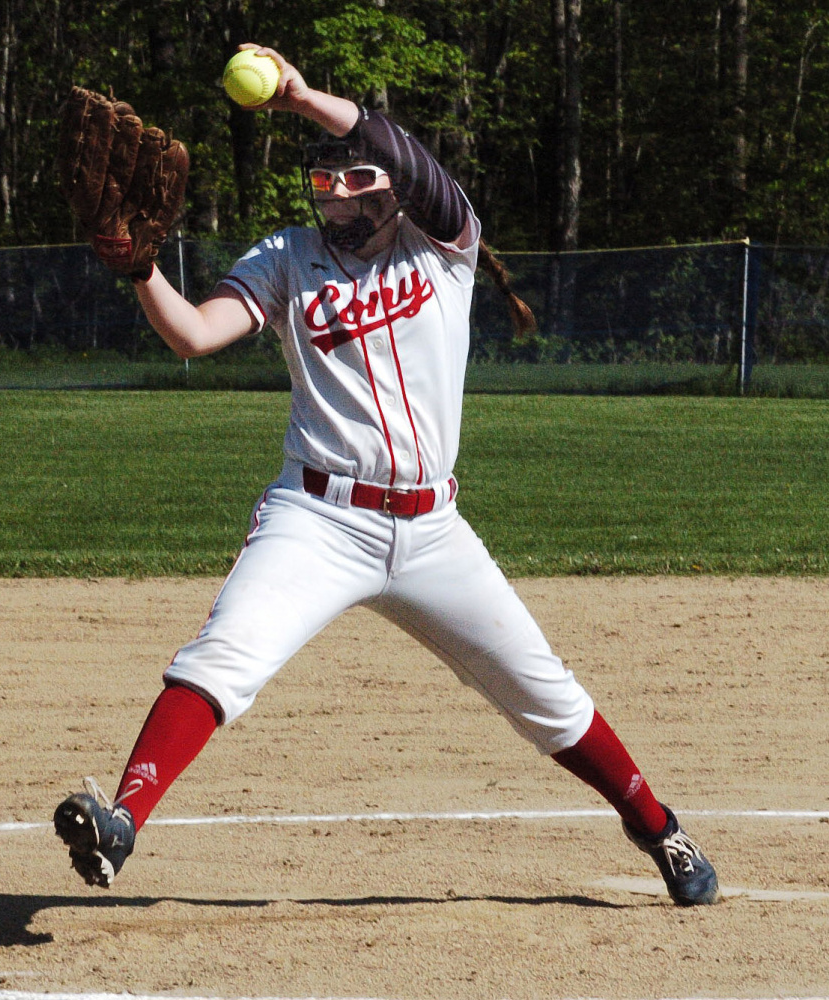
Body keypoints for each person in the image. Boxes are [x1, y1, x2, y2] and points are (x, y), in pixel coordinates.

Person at [53, 44, 720, 907]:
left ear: (390, 185)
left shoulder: (444, 245)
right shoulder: (287, 258)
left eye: (353, 176)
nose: (334, 195)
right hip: (318, 516)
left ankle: (659, 828)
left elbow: (406, 153)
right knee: (223, 658)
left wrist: (296, 98)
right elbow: (193, 334)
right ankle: (123, 822)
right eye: (321, 184)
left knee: (544, 696)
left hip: (434, 530)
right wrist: (140, 270)